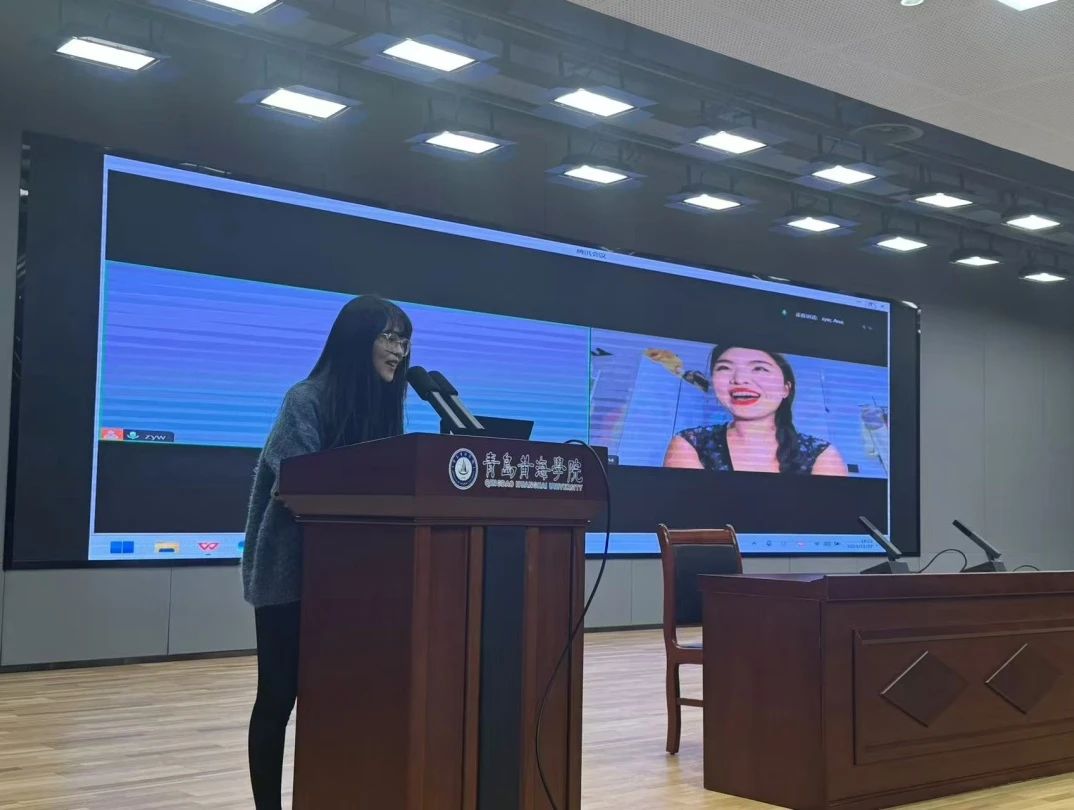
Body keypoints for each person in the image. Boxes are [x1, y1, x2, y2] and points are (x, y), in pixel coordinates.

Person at [241, 295, 412, 809]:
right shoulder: (305, 400)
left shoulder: (383, 411)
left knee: (341, 698)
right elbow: (299, 486)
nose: (399, 350)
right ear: (356, 339)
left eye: (405, 340)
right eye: (389, 336)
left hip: (353, 583)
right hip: (290, 577)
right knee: (278, 697)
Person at [664, 345, 847, 476]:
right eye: (725, 368)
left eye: (759, 368)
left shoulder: (822, 455)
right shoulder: (690, 444)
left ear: (786, 388)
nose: (740, 379)